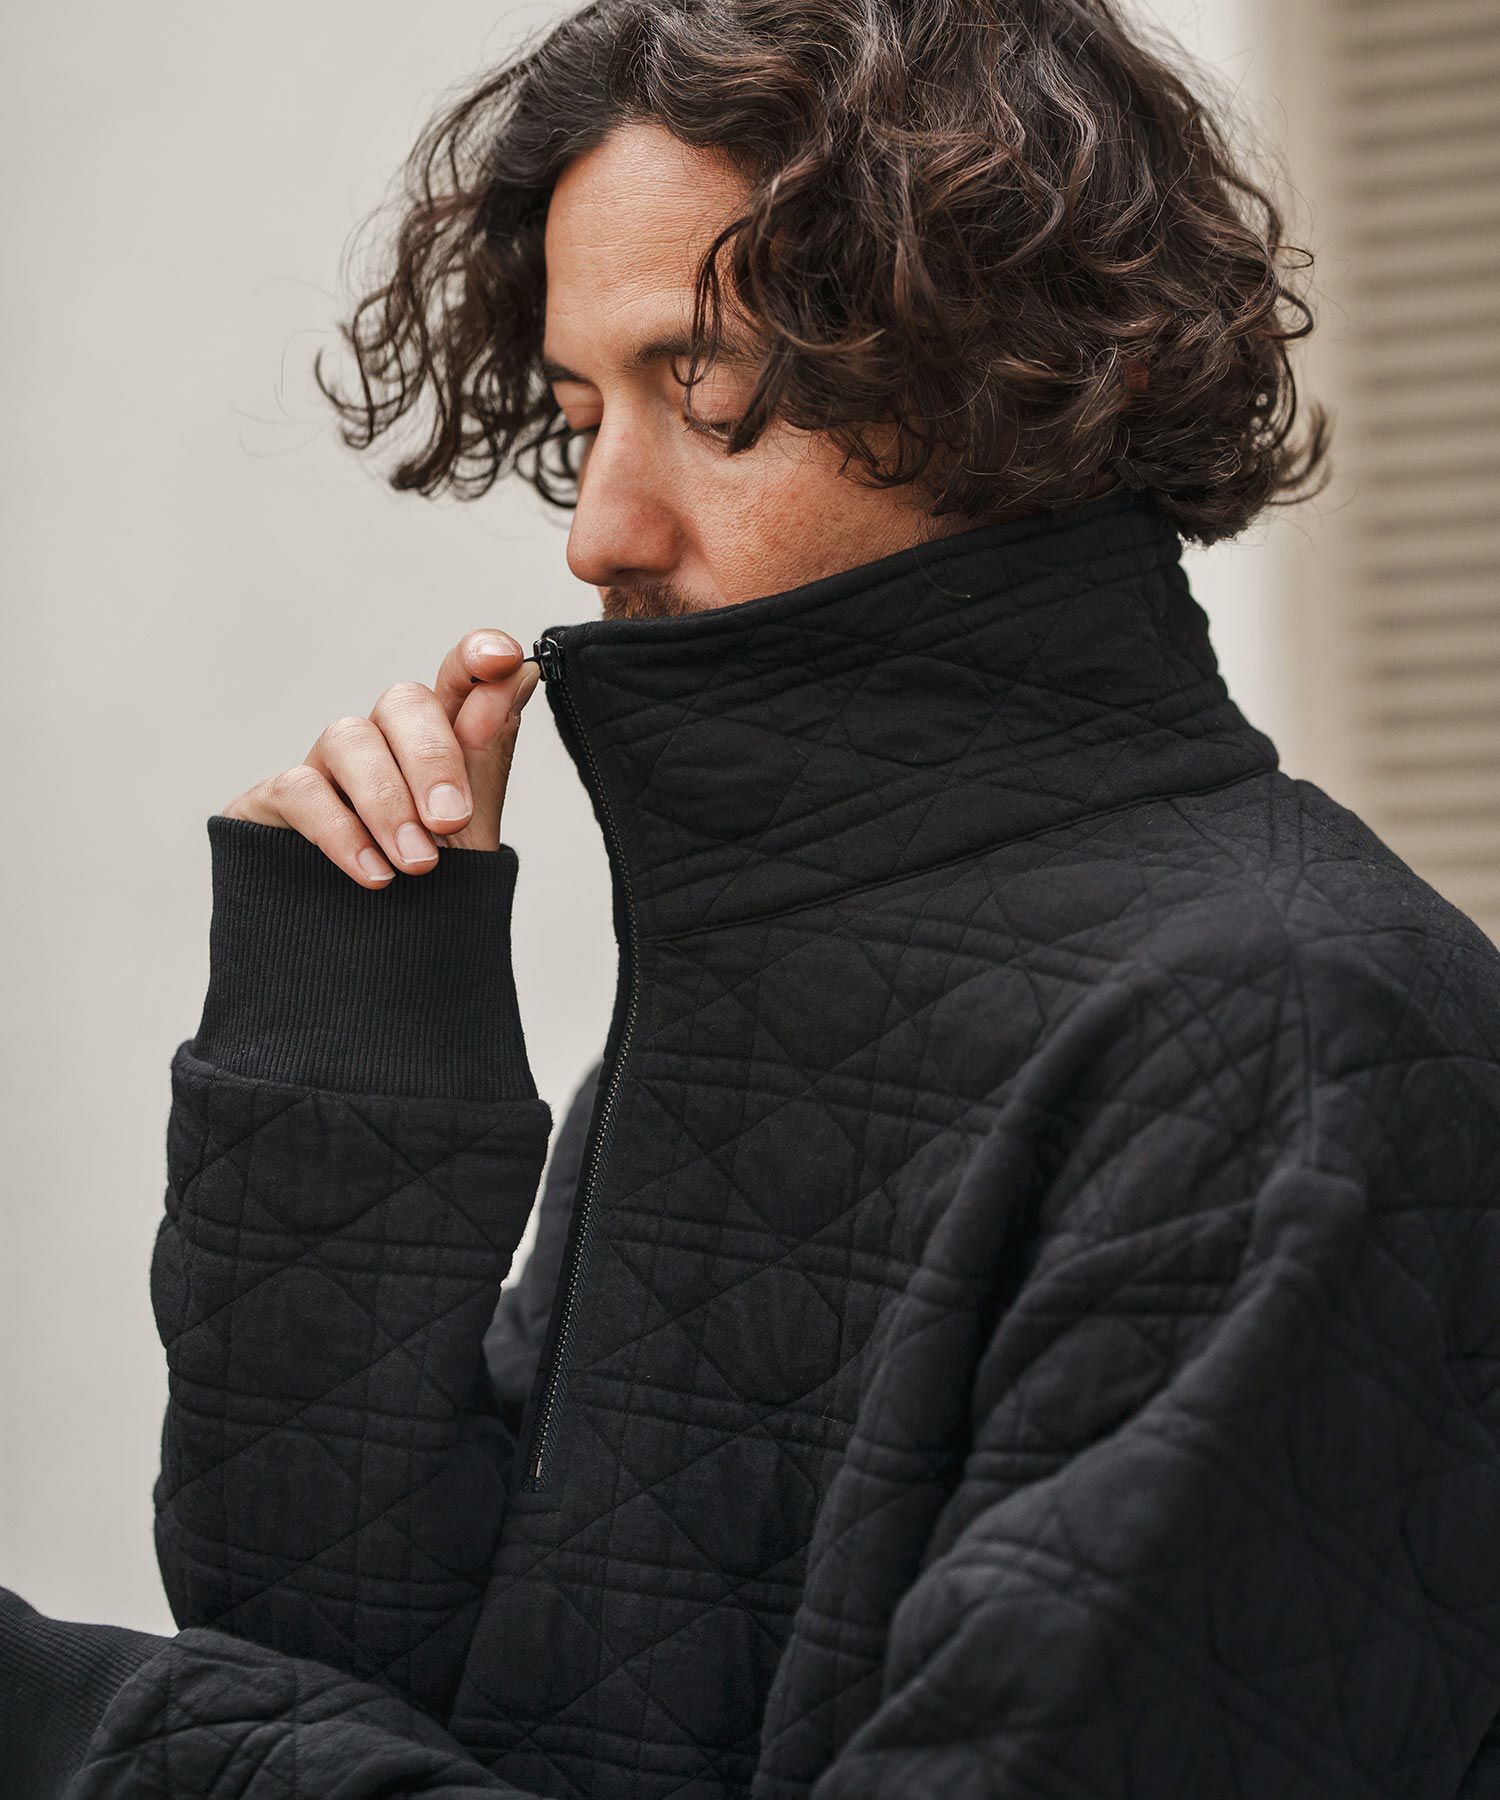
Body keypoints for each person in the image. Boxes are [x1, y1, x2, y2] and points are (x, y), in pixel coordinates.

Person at [7, 0, 1500, 1794]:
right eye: (579, 414)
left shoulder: (1298, 1041)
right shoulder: (754, 964)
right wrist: (359, 1039)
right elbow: (363, 1681)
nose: (598, 530)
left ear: (1017, 379)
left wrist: (70, 1729)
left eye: (710, 394)